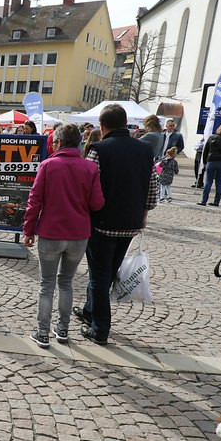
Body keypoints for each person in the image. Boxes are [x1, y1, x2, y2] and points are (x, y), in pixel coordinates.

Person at [74, 104, 158, 345]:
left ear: (102, 126)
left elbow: (87, 187)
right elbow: (152, 190)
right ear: (125, 123)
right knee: (108, 272)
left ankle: (100, 328)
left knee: (99, 275)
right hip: (131, 223)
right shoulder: (145, 150)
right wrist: (144, 212)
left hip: (102, 222)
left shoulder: (98, 149)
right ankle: (90, 311)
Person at [23, 124, 105, 348]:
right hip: (78, 235)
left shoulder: (48, 165)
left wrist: (28, 230)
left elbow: (34, 201)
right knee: (66, 283)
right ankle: (62, 330)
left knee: (46, 284)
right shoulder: (89, 168)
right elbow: (97, 203)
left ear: (57, 142)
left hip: (51, 233)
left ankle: (42, 333)